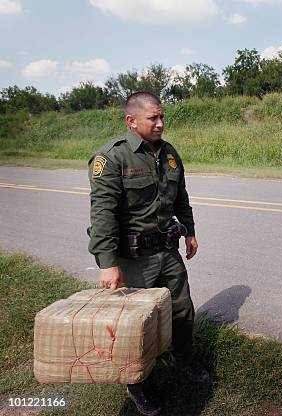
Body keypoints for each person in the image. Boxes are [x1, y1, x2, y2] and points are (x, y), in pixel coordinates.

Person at [88, 91, 206, 416]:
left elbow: (181, 196)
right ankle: (139, 384)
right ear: (132, 121)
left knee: (182, 311)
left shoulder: (169, 154)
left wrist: (190, 231)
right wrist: (108, 263)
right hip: (133, 258)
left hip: (168, 252)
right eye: (153, 118)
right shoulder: (112, 158)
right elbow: (102, 214)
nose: (160, 123)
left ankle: (183, 361)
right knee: (136, 325)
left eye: (162, 116)